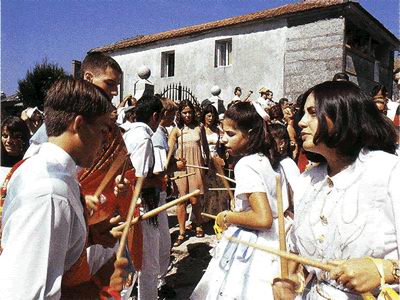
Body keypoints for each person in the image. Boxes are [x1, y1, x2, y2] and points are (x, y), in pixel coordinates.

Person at [0, 78, 128, 299]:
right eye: (102, 130)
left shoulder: (39, 168)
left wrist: (87, 237)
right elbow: (29, 292)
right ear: (78, 125)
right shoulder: (50, 193)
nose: (105, 141)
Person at [281, 81, 400, 299]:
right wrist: (289, 282)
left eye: (312, 113)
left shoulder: (390, 172)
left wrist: (385, 270)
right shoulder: (307, 181)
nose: (301, 122)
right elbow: (299, 256)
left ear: (343, 115)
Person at [191, 101, 288, 299]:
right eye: (223, 133)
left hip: (254, 246)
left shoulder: (246, 164)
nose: (224, 140)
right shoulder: (270, 159)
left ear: (250, 134)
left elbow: (263, 218)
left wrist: (227, 215)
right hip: (275, 242)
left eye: (231, 134)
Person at [25, 52, 122, 157]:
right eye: (110, 84)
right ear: (88, 78)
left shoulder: (110, 125)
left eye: (117, 85)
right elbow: (33, 158)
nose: (115, 92)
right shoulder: (64, 115)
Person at [122, 95, 165, 300]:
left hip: (129, 205)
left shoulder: (128, 133)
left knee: (133, 261)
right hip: (141, 207)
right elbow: (137, 178)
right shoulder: (143, 138)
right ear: (155, 116)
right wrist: (156, 181)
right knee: (148, 264)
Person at [169, 100, 210, 246]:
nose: (187, 115)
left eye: (190, 112)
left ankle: (198, 224)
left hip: (196, 165)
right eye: (184, 112)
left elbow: (205, 146)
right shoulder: (176, 130)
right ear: (180, 114)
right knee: (181, 200)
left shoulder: (199, 127)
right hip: (181, 167)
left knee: (195, 199)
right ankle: (181, 231)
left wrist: (208, 162)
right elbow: (169, 152)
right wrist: (173, 163)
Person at [201, 104, 228, 215]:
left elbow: (223, 145)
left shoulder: (217, 130)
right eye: (208, 116)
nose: (210, 118)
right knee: (206, 187)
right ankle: (205, 213)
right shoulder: (200, 128)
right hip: (204, 159)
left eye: (212, 116)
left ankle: (218, 212)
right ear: (204, 116)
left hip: (216, 159)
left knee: (218, 187)